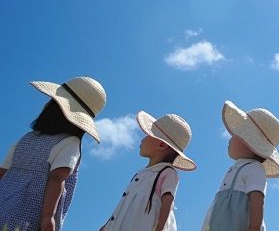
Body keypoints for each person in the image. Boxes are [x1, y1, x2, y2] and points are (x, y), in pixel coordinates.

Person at [0, 76, 107, 231]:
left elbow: (2, 172)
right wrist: (48, 216)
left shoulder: (27, 138)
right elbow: (57, 177)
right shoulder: (70, 142)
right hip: (30, 214)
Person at [100, 111, 196, 231]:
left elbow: (168, 200)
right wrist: (107, 226)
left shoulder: (167, 172)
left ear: (161, 145)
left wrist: (159, 228)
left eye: (148, 135)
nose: (142, 139)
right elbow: (125, 204)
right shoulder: (142, 173)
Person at [201, 101, 279, 231]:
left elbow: (257, 198)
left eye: (236, 134)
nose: (230, 138)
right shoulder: (234, 169)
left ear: (248, 142)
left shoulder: (254, 168)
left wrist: (254, 227)